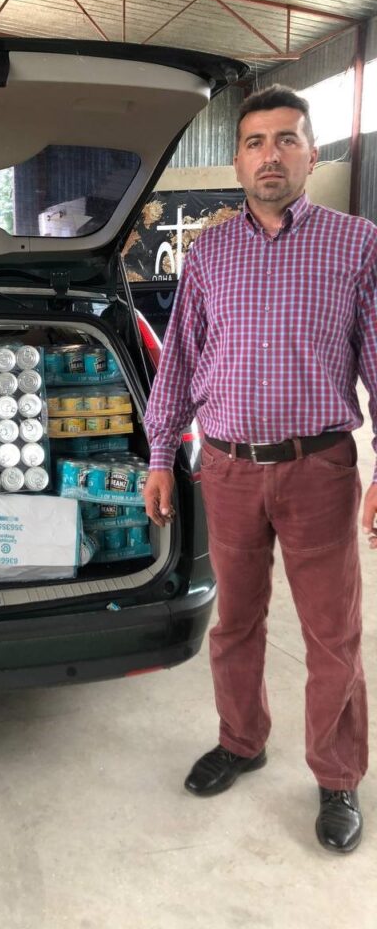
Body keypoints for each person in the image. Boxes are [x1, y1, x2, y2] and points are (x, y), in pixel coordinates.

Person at [143, 85, 377, 854]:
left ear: (313, 154)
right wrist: (158, 457)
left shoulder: (357, 244)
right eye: (254, 141)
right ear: (237, 158)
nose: (269, 154)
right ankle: (242, 741)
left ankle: (337, 775)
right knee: (235, 622)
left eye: (285, 139)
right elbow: (177, 362)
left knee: (331, 633)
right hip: (229, 470)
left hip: (318, 469)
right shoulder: (209, 254)